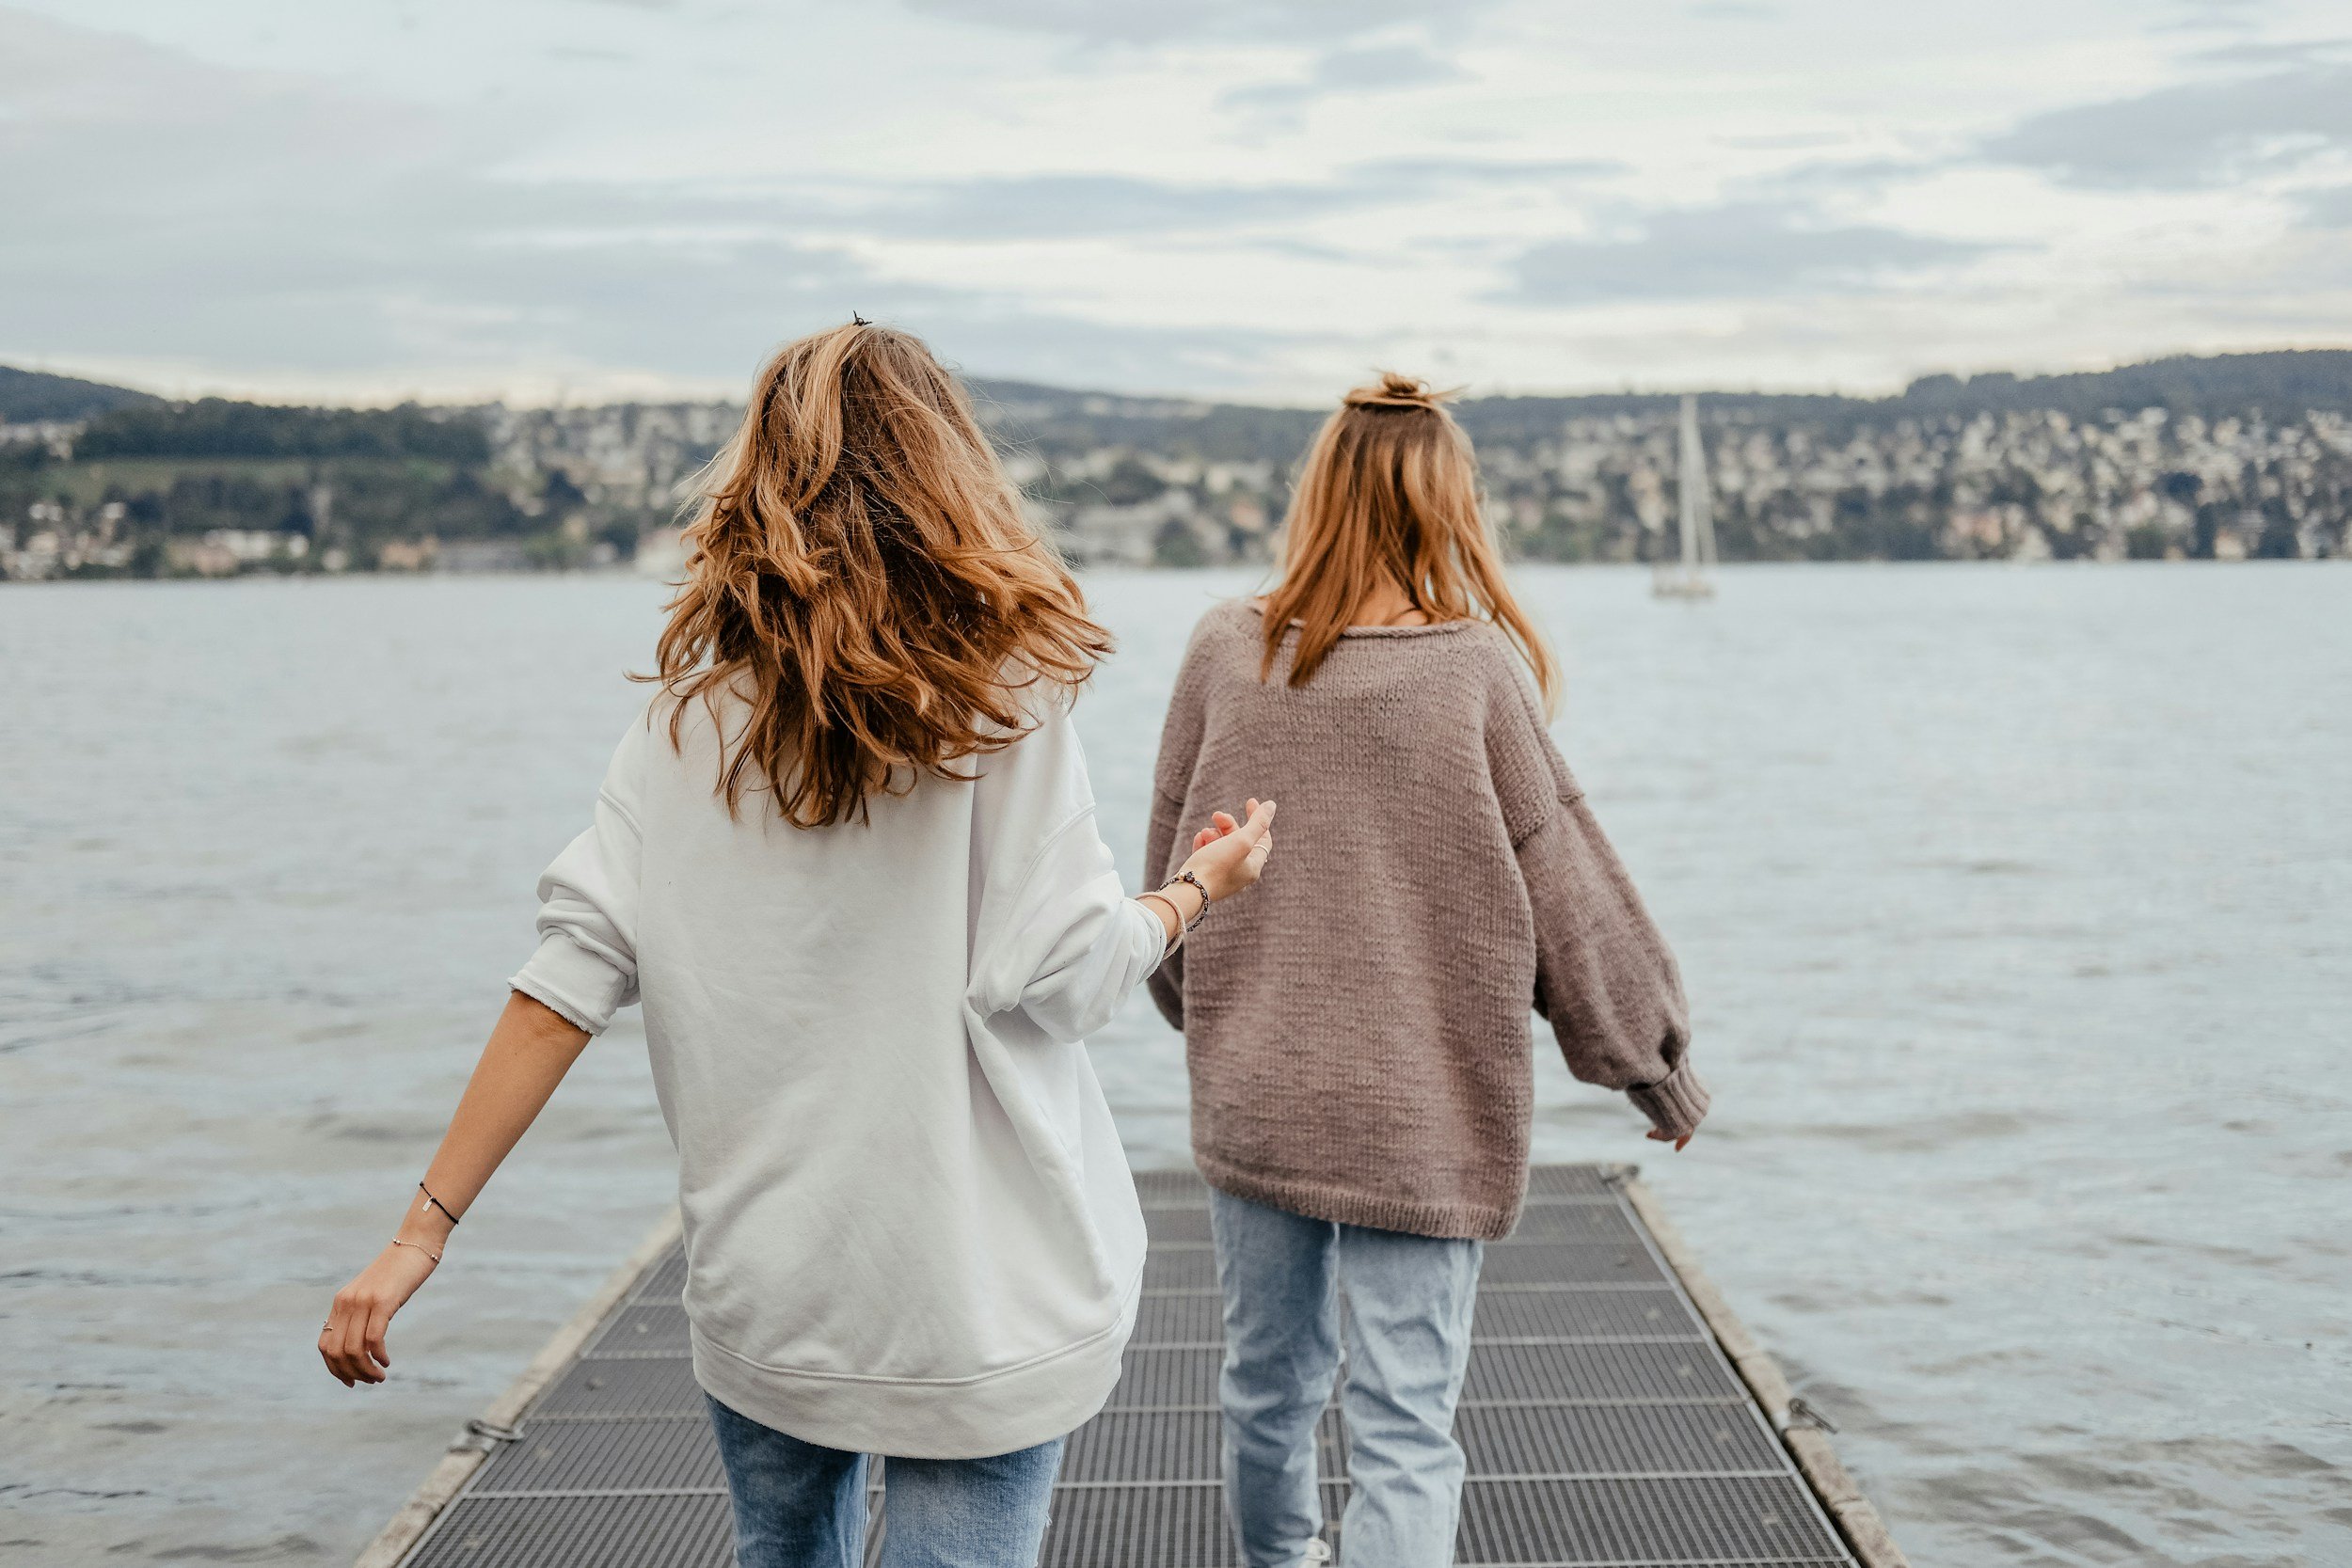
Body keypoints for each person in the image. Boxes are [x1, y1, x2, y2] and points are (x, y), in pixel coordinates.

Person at [317, 321, 1277, 1568]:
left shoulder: (681, 732)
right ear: (952, 476)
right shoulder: (1009, 704)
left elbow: (560, 989)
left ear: (759, 484)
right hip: (974, 1291)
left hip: (772, 1288)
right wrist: (1197, 890)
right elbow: (1061, 973)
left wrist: (420, 1231)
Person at [1146, 372, 1708, 1568]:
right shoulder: (1473, 674)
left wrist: (1215, 1017)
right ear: (1451, 506)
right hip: (1420, 1107)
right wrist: (1651, 1066)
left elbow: (1169, 872)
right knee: (1403, 1424)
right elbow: (1573, 901)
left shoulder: (1220, 651)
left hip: (1259, 1087)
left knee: (1264, 1388)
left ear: (1319, 495)